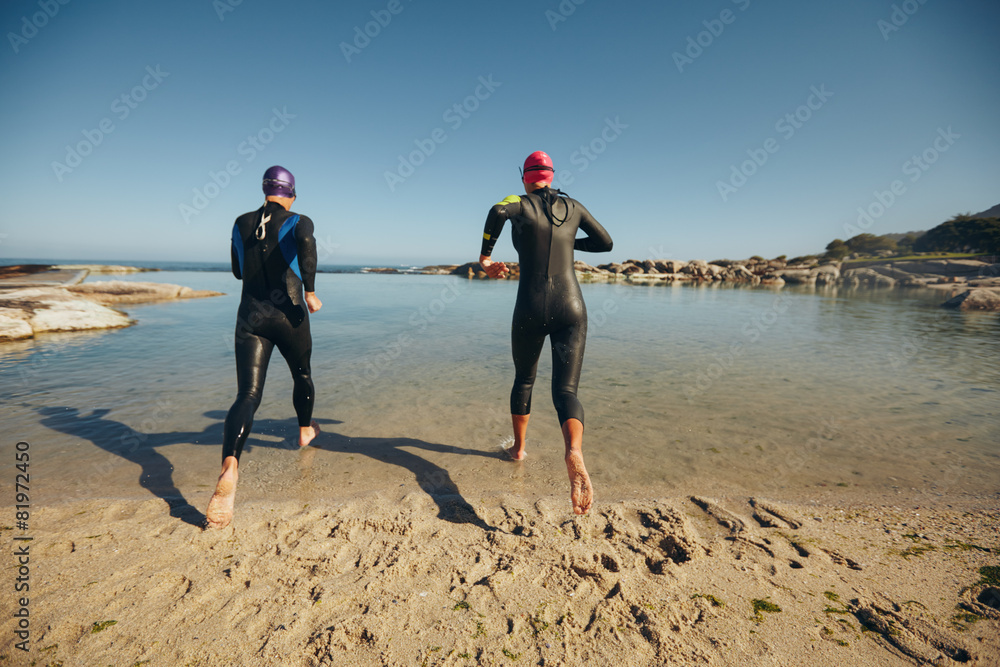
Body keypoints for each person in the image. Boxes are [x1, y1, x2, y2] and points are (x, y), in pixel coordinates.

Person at [478, 151, 613, 515]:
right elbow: (606, 243)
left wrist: (486, 257)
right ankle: (573, 451)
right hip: (572, 307)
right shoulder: (575, 207)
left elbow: (496, 211)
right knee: (566, 390)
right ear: (551, 176)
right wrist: (570, 243)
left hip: (531, 306)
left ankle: (518, 449)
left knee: (524, 379)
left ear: (525, 177)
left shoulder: (518, 203)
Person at [205, 165, 323, 529]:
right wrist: (310, 289)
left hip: (250, 317)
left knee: (248, 394)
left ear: (265, 189)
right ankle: (304, 431)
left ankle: (231, 466)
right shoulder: (299, 219)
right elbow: (305, 244)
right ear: (290, 192)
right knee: (301, 373)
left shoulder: (240, 222)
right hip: (288, 314)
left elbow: (238, 272)